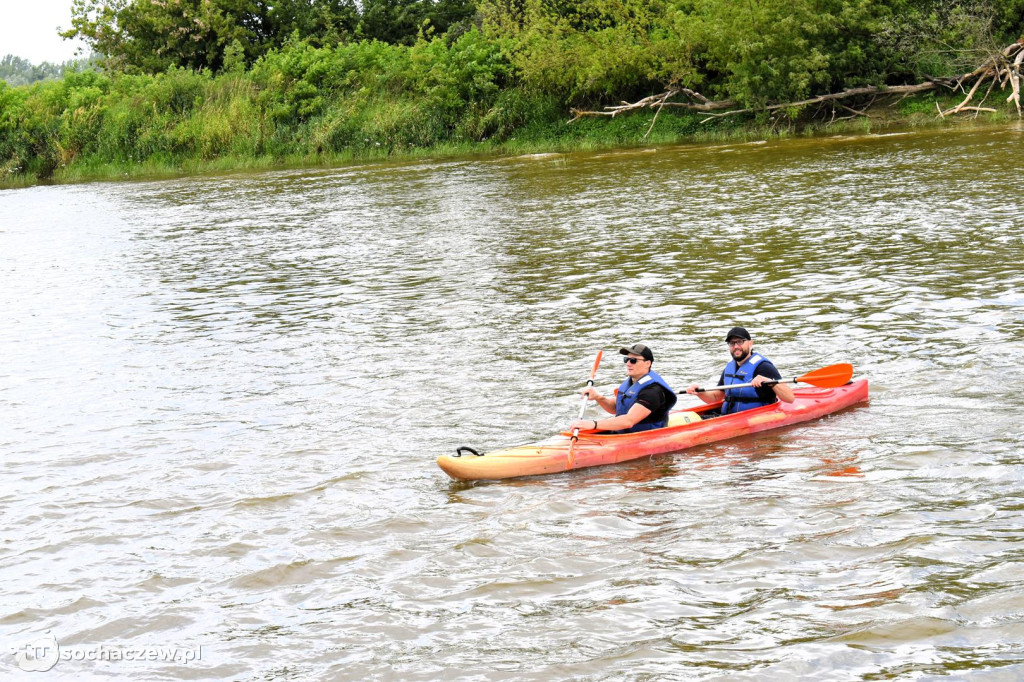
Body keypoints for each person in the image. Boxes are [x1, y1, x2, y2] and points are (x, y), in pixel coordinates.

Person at [570, 343, 677, 434]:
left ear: (647, 363)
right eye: (627, 359)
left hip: (645, 437)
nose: (628, 363)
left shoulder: (653, 391)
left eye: (634, 360)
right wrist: (598, 397)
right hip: (624, 432)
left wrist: (593, 424)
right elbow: (615, 408)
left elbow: (629, 421)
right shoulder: (632, 382)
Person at [685, 327, 794, 414]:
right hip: (729, 417)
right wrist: (699, 392)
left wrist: (769, 382)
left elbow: (790, 398)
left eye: (740, 341)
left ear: (750, 343)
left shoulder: (763, 367)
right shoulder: (729, 367)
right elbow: (716, 397)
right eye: (732, 343)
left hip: (757, 416)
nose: (736, 346)